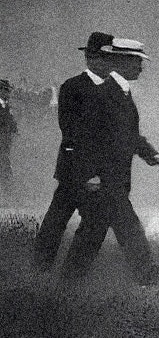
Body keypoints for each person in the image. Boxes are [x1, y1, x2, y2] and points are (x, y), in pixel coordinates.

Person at [59, 38, 159, 283]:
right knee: (124, 226)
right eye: (137, 61)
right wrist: (90, 173)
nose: (141, 67)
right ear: (121, 62)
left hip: (113, 177)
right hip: (104, 178)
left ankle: (68, 283)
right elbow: (84, 137)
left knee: (94, 230)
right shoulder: (103, 93)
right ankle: (146, 275)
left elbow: (129, 134)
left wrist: (152, 155)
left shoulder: (120, 91)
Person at [32, 33, 117, 270]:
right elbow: (70, 131)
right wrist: (89, 172)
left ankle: (71, 273)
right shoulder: (72, 87)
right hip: (73, 168)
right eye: (102, 57)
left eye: (109, 58)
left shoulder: (113, 89)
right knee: (57, 221)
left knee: (92, 223)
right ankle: (42, 268)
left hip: (96, 170)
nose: (106, 63)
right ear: (90, 58)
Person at [0, 79, 16, 202]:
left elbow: (10, 120)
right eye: (6, 90)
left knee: (5, 163)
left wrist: (14, 129)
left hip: (5, 139)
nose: (8, 93)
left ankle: (6, 192)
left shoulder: (6, 104)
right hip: (2, 138)